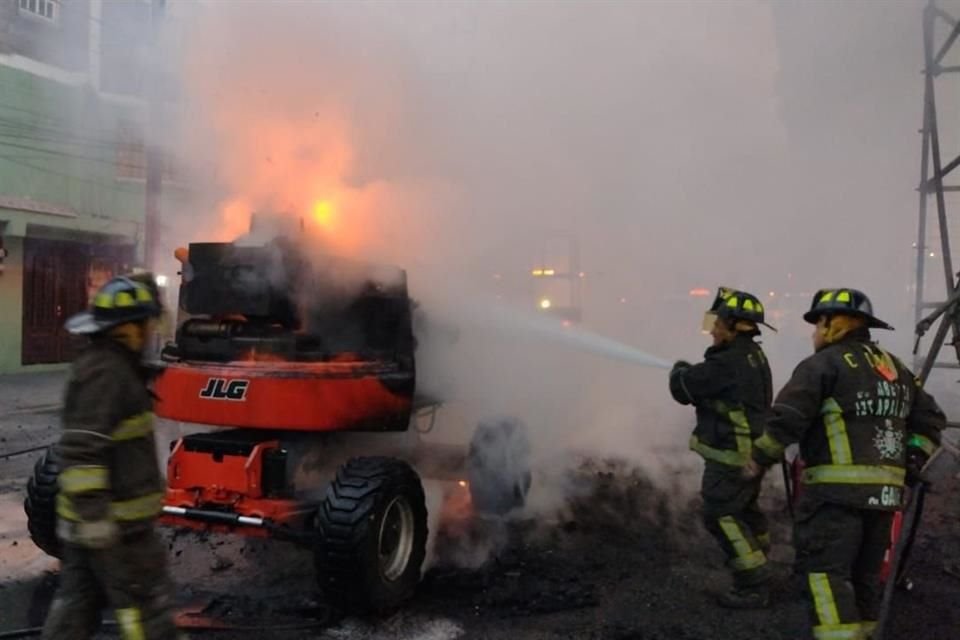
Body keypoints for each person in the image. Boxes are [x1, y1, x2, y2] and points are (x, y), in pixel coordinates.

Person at [745, 288, 945, 640]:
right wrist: (911, 459)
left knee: (824, 575)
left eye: (817, 324)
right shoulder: (894, 368)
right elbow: (930, 420)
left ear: (834, 323)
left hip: (835, 499)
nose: (814, 333)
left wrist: (757, 459)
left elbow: (787, 418)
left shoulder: (823, 365)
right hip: (884, 499)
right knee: (864, 578)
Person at [42, 274, 181, 640]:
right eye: (146, 323)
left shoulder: (111, 366)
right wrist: (98, 524)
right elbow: (81, 451)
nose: (151, 331)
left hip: (91, 527)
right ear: (129, 329)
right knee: (147, 612)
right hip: (116, 530)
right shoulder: (108, 373)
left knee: (75, 612)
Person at [669, 287, 776, 608]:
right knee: (745, 509)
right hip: (751, 455)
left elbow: (683, 388)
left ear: (733, 325)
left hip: (730, 457)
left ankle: (753, 583)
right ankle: (759, 556)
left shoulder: (726, 363)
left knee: (719, 513)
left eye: (717, 323)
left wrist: (679, 369)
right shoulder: (753, 355)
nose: (712, 330)